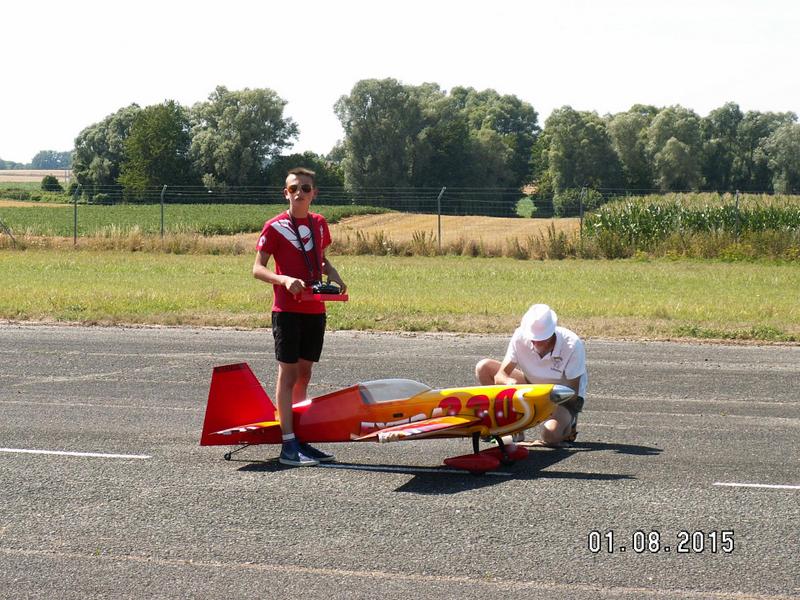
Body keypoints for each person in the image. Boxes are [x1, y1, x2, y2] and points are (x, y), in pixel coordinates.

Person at [253, 167, 347, 466]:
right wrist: (283, 280)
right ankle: (288, 443)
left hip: (315, 309)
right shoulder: (274, 226)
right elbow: (257, 268)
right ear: (286, 193)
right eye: (294, 188)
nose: (299, 193)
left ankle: (300, 437)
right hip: (287, 310)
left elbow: (320, 259)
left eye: (305, 188)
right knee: (289, 374)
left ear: (314, 193)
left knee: (305, 374)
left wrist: (332, 273)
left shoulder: (319, 224)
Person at [475, 303, 587, 446]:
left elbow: (573, 394)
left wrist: (544, 406)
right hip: (530, 385)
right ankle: (510, 426)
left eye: (542, 339)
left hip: (561, 398)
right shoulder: (520, 336)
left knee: (550, 436)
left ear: (552, 333)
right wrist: (509, 383)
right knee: (483, 367)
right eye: (533, 338)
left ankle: (569, 424)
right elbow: (500, 375)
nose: (536, 342)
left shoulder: (572, 344)